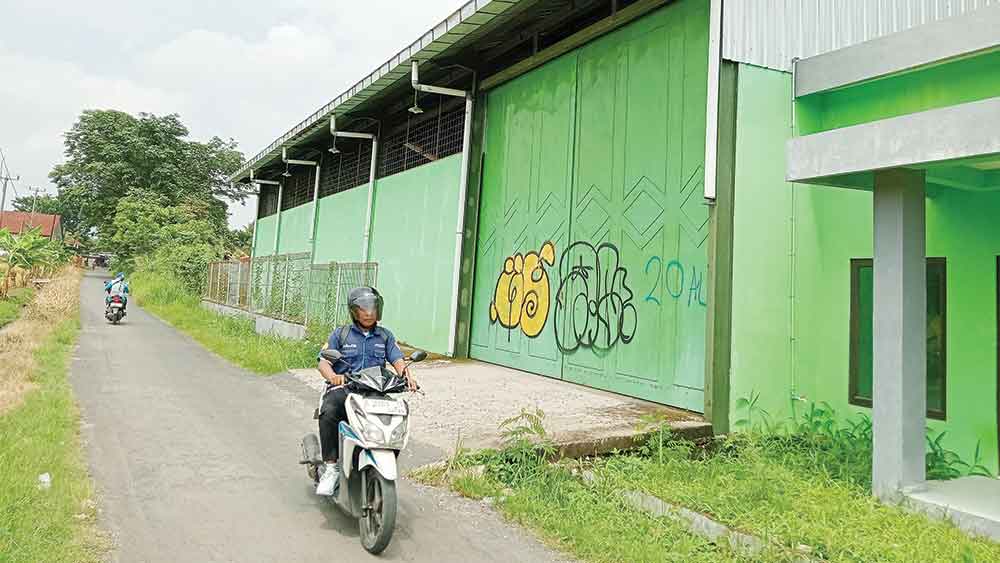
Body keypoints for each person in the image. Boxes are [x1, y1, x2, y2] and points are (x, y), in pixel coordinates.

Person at [315, 286, 417, 496]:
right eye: (363, 308)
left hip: (375, 391)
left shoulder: (385, 336)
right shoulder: (341, 334)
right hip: (346, 389)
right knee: (329, 410)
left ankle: (381, 460)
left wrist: (407, 376)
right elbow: (323, 362)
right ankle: (332, 468)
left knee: (397, 415)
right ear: (354, 311)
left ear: (379, 309)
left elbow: (398, 359)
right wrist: (333, 376)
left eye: (372, 308)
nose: (369, 313)